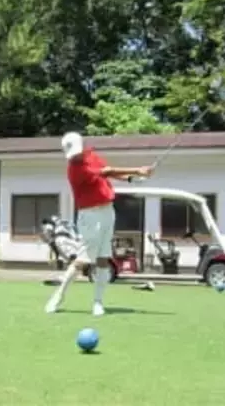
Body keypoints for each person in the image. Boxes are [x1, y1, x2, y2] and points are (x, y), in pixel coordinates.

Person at [44, 132, 154, 316]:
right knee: (83, 260)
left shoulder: (91, 155)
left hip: (107, 211)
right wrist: (138, 170)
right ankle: (58, 296)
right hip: (89, 215)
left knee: (103, 259)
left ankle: (98, 302)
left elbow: (108, 172)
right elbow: (106, 171)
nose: (76, 156)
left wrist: (130, 178)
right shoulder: (74, 170)